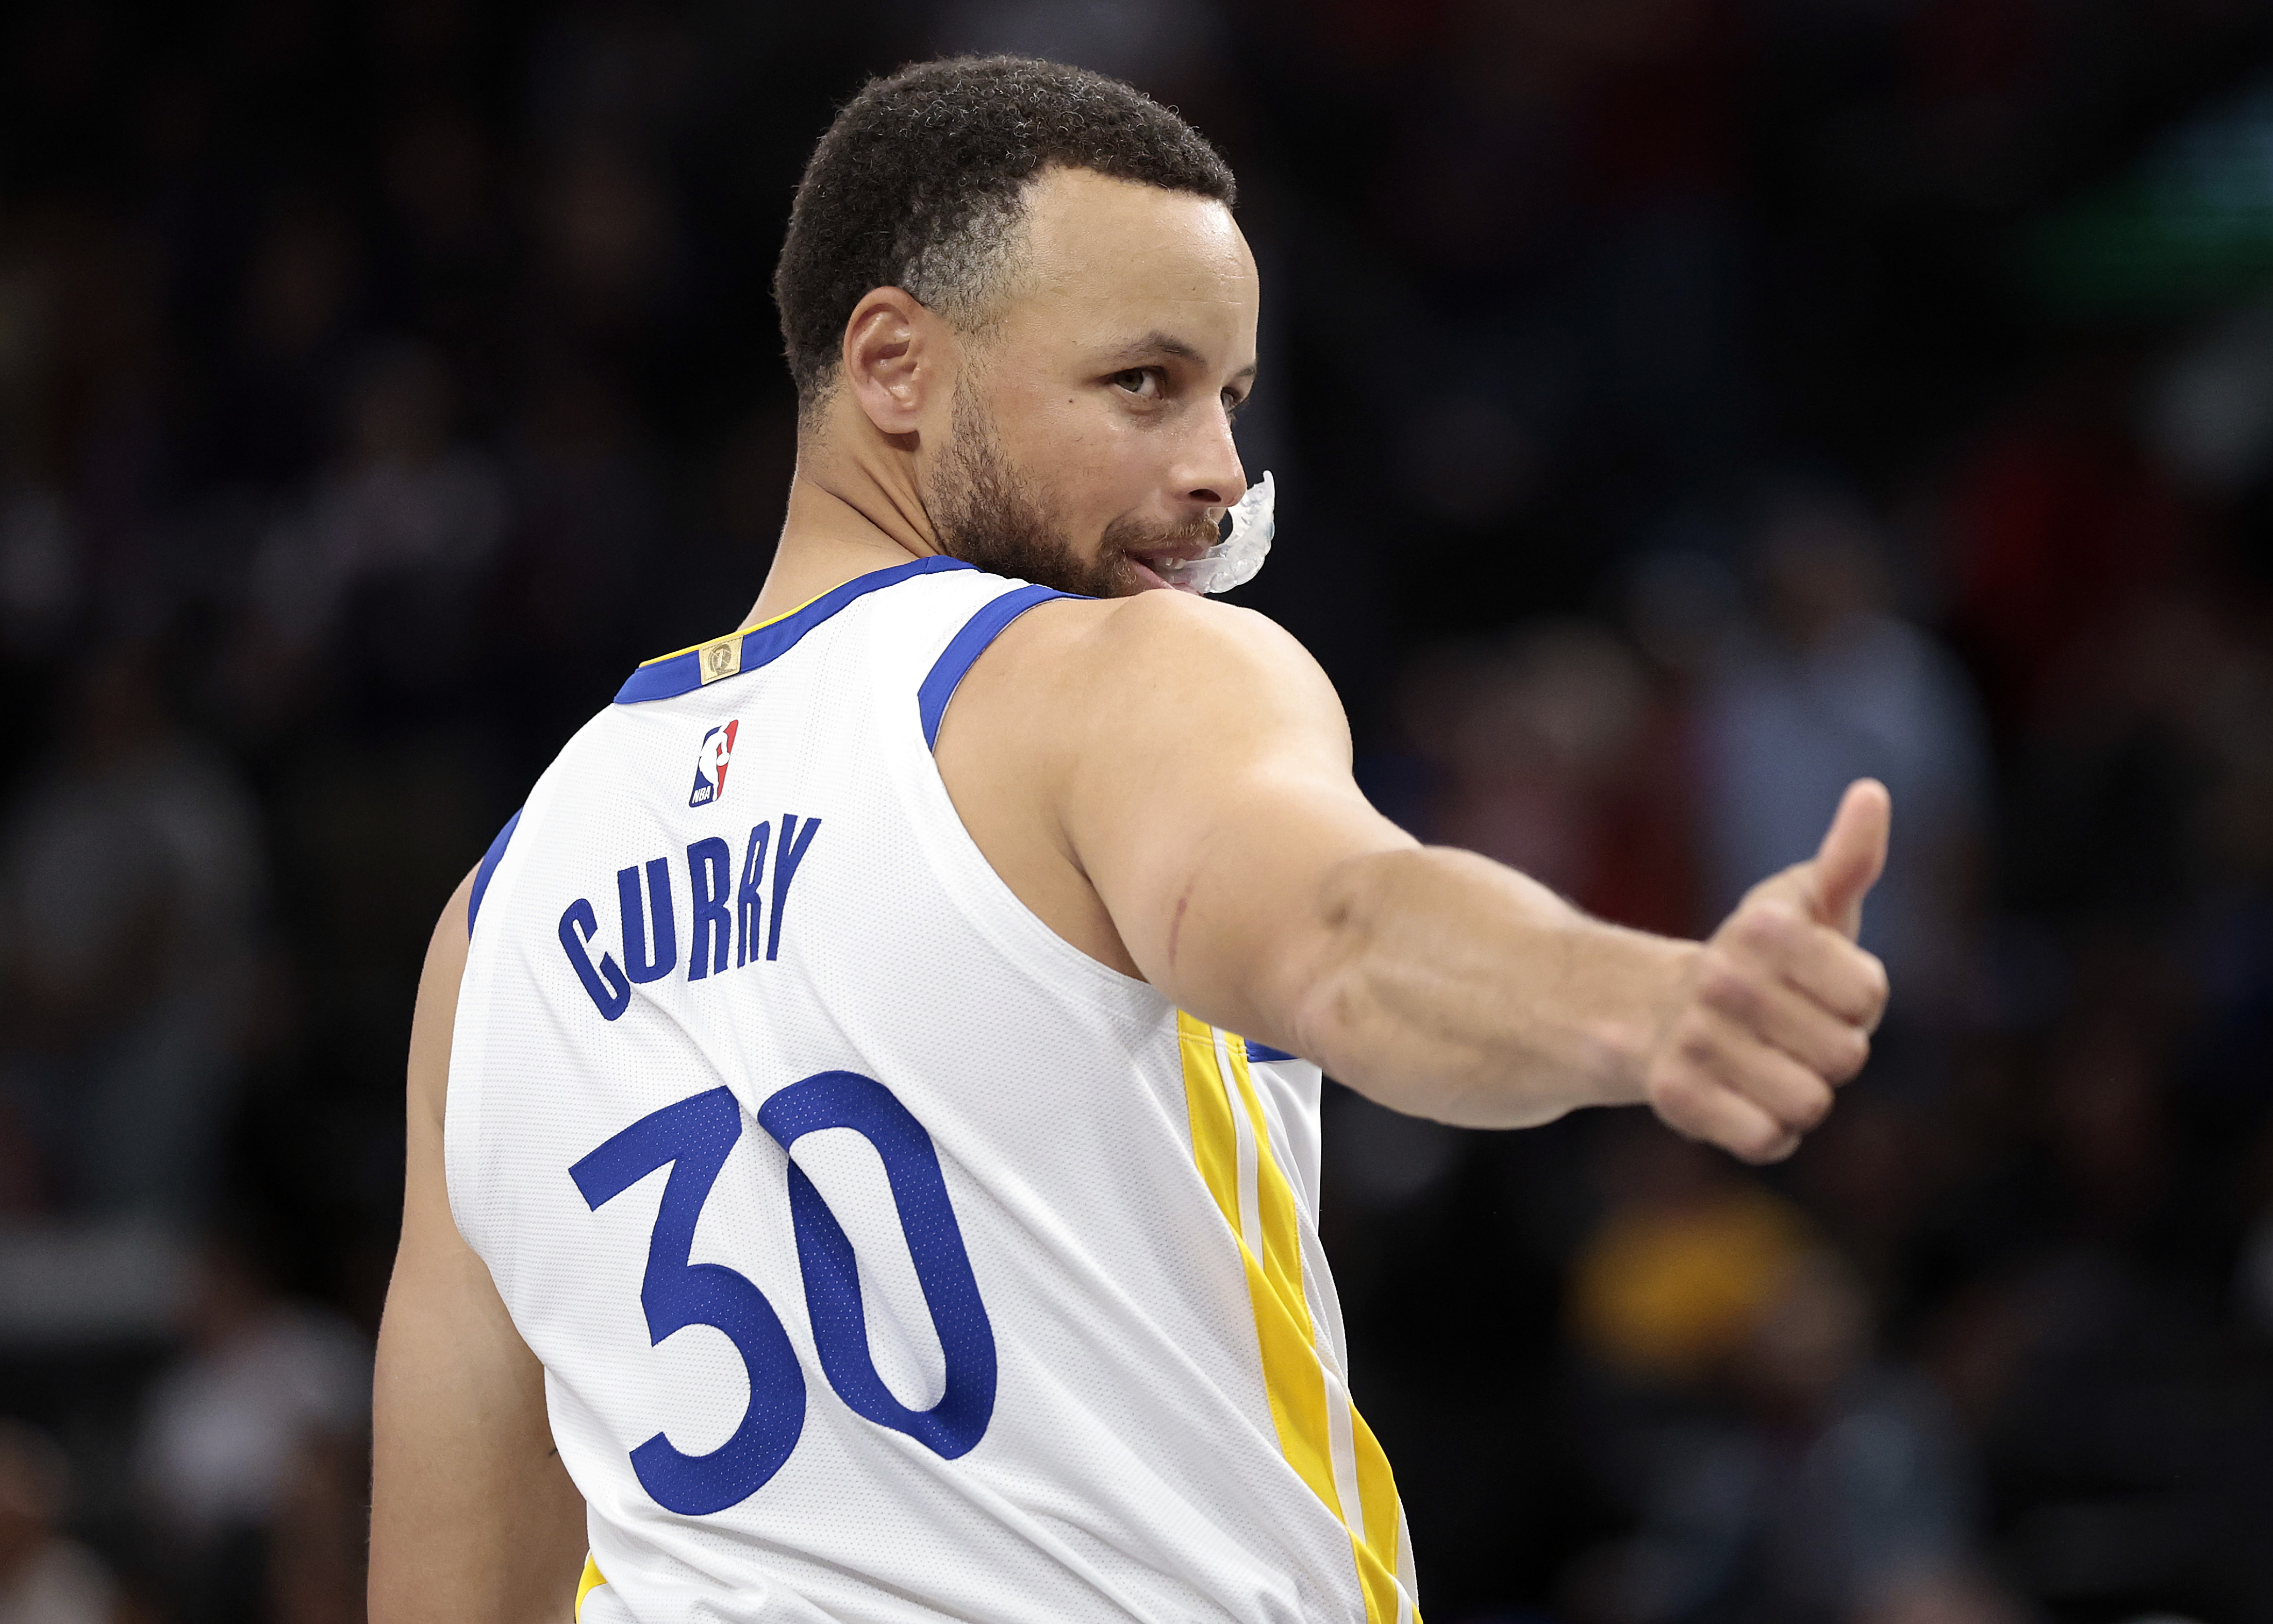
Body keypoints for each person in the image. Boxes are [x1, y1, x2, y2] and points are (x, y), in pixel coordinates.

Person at [369, 57, 1889, 1624]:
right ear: (892, 364)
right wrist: (1641, 1003)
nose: (1220, 478)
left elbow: (445, 1585)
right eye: (1143, 386)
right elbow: (1345, 933)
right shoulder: (1109, 680)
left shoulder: (495, 918)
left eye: (1232, 399)